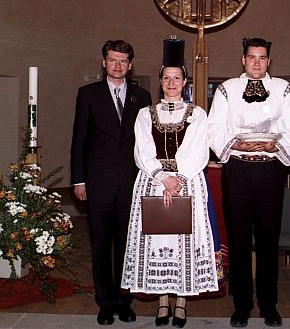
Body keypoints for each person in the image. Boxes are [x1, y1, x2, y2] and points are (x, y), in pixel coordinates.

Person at [121, 38, 218, 328]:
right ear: (161, 81)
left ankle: (182, 303)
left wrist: (178, 179)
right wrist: (163, 178)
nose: (171, 83)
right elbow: (142, 151)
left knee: (183, 241)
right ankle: (163, 301)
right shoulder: (145, 114)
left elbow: (198, 150)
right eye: (166, 78)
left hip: (187, 183)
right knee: (157, 239)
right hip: (152, 182)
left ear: (185, 81)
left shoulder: (197, 114)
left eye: (177, 78)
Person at [208, 37, 290, 327]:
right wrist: (237, 148)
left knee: (267, 242)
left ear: (269, 61)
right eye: (252, 57)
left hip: (270, 172)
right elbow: (214, 128)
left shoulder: (284, 90)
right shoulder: (227, 90)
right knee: (237, 243)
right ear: (243, 60)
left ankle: (269, 306)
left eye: (262, 58)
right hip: (237, 170)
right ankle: (241, 306)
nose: (257, 63)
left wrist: (276, 148)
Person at [70, 39, 152, 325]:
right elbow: (79, 140)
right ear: (104, 62)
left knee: (127, 245)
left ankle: (123, 300)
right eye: (112, 60)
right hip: (98, 182)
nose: (117, 65)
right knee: (101, 246)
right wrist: (79, 179)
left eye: (123, 61)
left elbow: (147, 143)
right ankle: (105, 303)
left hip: (131, 182)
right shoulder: (88, 94)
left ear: (130, 65)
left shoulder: (142, 97)